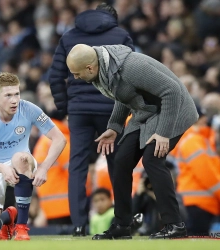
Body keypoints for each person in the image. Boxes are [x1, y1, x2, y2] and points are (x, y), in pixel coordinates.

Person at [66, 43, 198, 239]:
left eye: (77, 73)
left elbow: (172, 91)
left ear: (89, 68)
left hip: (174, 110)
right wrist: (114, 127)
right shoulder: (108, 68)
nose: (75, 77)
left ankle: (175, 225)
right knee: (121, 162)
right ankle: (122, 226)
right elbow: (124, 95)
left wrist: (163, 133)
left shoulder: (130, 67)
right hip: (147, 112)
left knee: (152, 160)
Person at [48, 2, 134, 236]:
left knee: (77, 166)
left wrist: (65, 108)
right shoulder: (121, 35)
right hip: (112, 109)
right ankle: (123, 222)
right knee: (119, 164)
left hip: (79, 110)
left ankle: (78, 224)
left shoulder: (69, 37)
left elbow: (54, 76)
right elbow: (132, 73)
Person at [0, 72, 66, 240]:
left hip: (20, 162)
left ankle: (21, 227)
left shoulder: (29, 109)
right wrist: (1, 168)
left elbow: (60, 138)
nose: (14, 100)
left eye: (17, 94)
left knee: (20, 158)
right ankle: (9, 217)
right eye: (8, 95)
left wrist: (43, 167)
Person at [173, 106, 220, 235]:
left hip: (200, 202)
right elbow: (207, 174)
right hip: (197, 203)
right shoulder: (193, 141)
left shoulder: (201, 141)